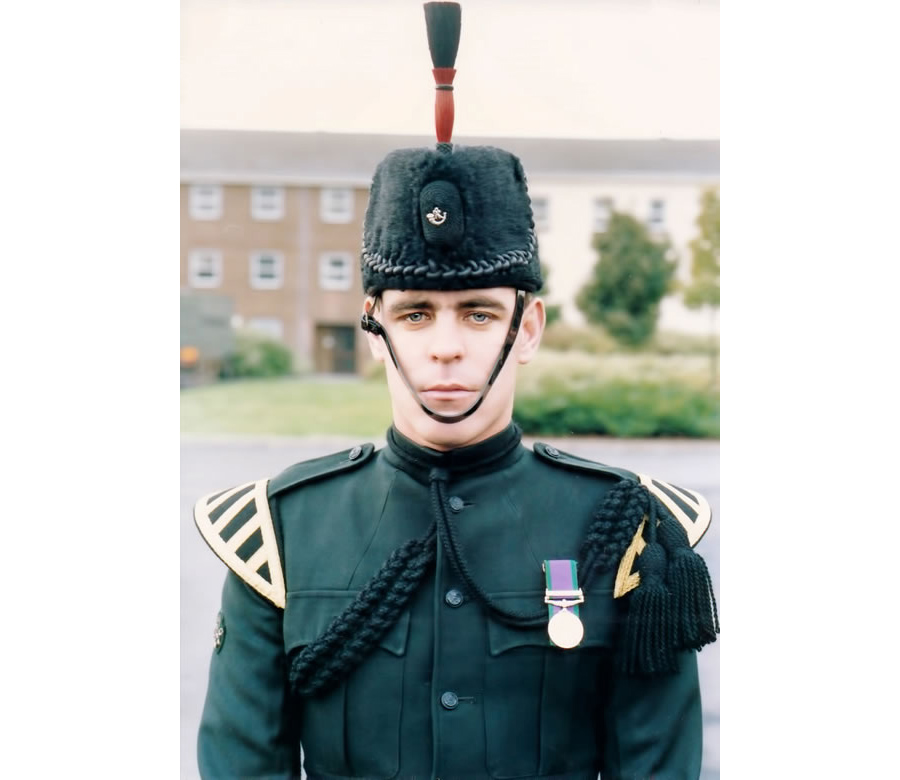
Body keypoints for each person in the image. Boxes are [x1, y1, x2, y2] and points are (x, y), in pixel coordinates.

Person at [194, 3, 718, 778]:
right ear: (374, 325)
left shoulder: (630, 533)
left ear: (529, 328)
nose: (445, 346)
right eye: (415, 313)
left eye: (479, 313)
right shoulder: (278, 534)